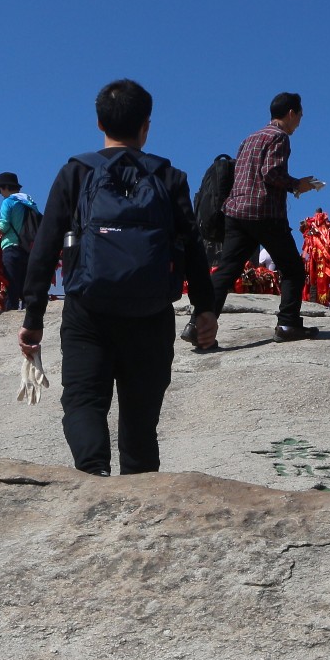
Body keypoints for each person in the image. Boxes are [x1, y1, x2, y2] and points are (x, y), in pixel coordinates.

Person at [18, 79, 219, 476]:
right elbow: (192, 245)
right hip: (151, 315)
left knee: (84, 402)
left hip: (87, 314)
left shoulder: (76, 172)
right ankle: (140, 503)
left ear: (99, 123)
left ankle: (92, 477)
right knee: (141, 421)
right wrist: (205, 309)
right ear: (146, 125)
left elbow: (44, 248)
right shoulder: (169, 176)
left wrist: (33, 320)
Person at [210, 92, 325, 343]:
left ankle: (199, 324)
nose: (299, 123)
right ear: (291, 113)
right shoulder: (279, 137)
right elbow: (271, 172)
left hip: (235, 211)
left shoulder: (249, 138)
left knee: (226, 270)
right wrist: (297, 185)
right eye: (300, 116)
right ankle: (287, 325)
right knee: (293, 270)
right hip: (264, 213)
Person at [0, 173, 41, 313]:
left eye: (0, 189)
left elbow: (4, 225)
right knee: (26, 281)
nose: (0, 193)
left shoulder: (8, 202)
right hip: (28, 247)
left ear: (6, 187)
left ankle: (11, 311)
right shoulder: (29, 202)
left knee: (11, 282)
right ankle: (27, 309)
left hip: (11, 247)